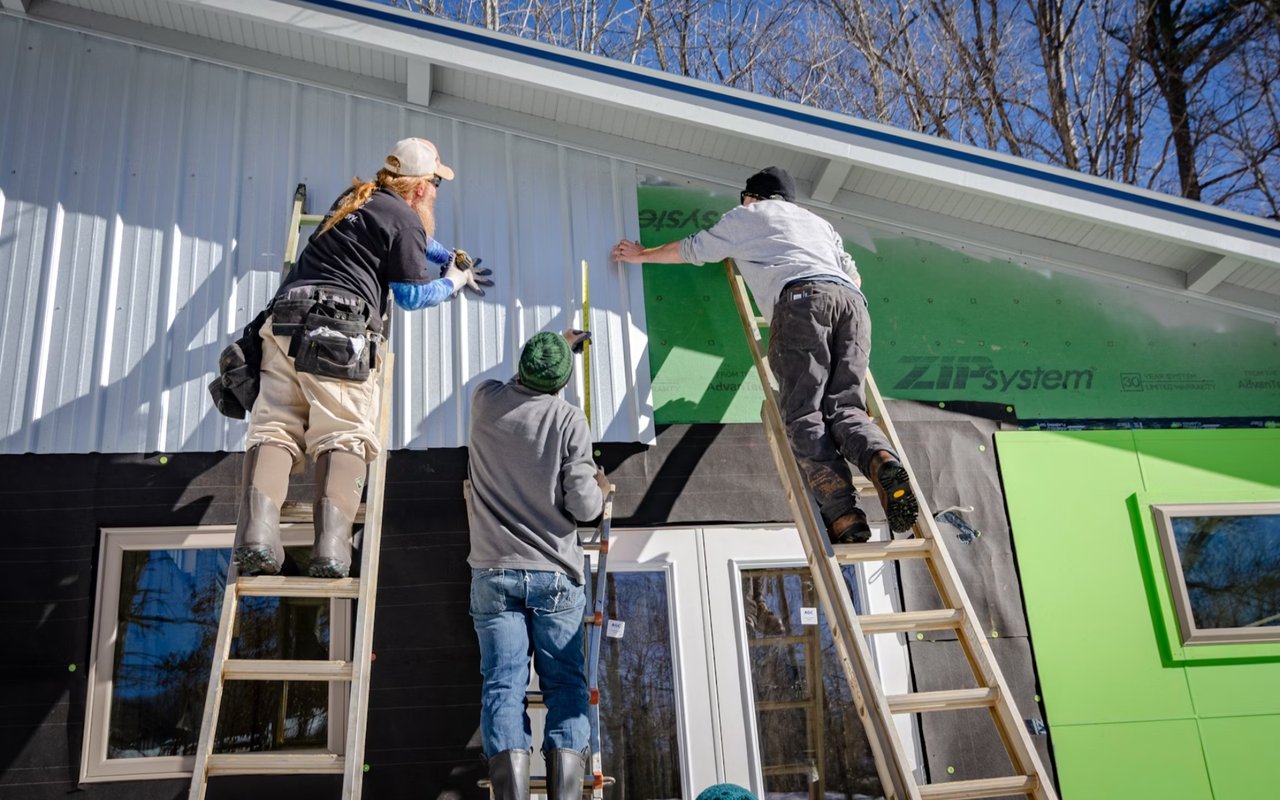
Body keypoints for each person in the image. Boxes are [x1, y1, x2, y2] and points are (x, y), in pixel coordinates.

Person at [611, 166, 918, 543]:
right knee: (847, 408)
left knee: (805, 411)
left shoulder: (749, 215)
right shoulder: (818, 224)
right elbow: (854, 278)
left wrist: (642, 255)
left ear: (752, 197)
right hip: (854, 306)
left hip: (803, 302)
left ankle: (844, 516)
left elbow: (693, 249)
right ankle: (881, 459)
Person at [233, 137, 492, 579]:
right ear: (418, 190)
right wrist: (452, 279)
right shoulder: (406, 221)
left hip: (284, 321)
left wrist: (445, 254)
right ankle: (331, 550)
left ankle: (257, 538)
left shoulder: (355, 200)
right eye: (434, 185)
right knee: (345, 433)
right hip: (338, 331)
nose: (435, 193)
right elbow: (410, 295)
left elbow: (409, 237)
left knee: (275, 427)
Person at [467, 330, 609, 800]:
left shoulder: (485, 401)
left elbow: (517, 385)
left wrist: (555, 353)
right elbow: (584, 507)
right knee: (565, 685)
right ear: (562, 382)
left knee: (503, 686)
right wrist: (601, 488)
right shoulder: (569, 419)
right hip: (553, 574)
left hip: (494, 571)